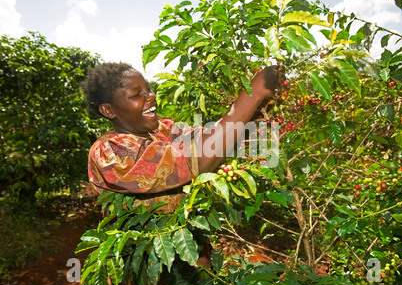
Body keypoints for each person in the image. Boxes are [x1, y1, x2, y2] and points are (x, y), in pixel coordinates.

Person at [82, 62, 283, 213]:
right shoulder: (109, 151)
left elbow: (214, 138)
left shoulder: (164, 128)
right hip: (152, 264)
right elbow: (201, 158)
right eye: (136, 95)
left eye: (148, 89)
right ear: (108, 110)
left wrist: (258, 109)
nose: (151, 96)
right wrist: (254, 92)